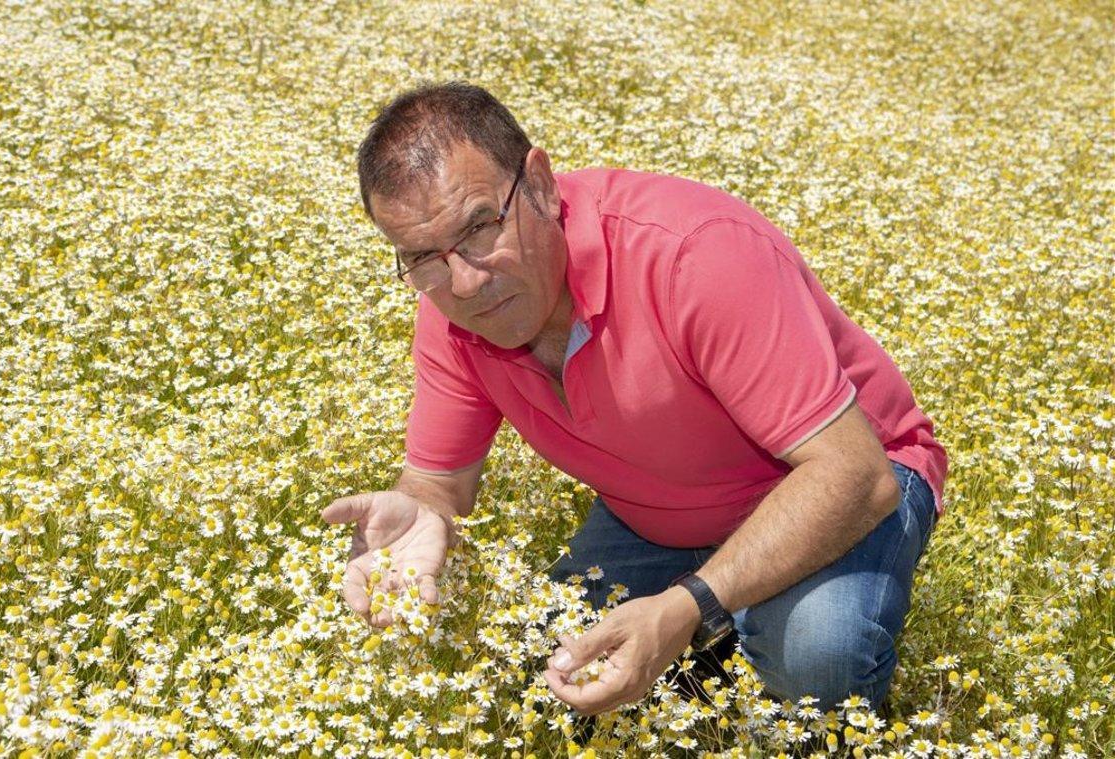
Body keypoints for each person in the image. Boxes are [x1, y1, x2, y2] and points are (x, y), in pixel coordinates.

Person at [321, 81, 948, 718]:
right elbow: (437, 486)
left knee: (818, 659)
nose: (465, 281)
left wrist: (686, 607)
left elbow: (857, 475)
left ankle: (735, 649)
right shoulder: (454, 314)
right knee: (541, 661)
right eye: (423, 257)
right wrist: (420, 513)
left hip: (844, 479)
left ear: (538, 183)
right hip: (659, 512)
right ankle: (714, 653)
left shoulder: (693, 253)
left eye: (480, 227)